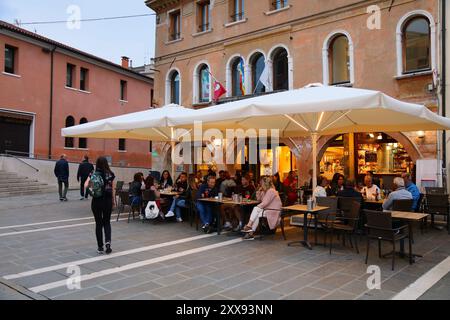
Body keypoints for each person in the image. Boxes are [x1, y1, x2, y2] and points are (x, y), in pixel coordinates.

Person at [84, 156, 115, 254]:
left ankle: (100, 247)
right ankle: (108, 243)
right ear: (106, 163)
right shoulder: (110, 174)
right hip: (108, 201)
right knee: (107, 222)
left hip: (97, 201)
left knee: (98, 223)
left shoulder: (93, 173)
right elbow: (112, 188)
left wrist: (92, 187)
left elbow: (86, 185)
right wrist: (113, 201)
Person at [241, 176, 282, 240]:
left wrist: (257, 208)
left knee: (256, 209)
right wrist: (259, 191)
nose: (260, 184)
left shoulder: (271, 191)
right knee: (257, 214)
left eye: (261, 183)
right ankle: (250, 232)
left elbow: (265, 203)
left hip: (274, 211)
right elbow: (259, 199)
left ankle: (249, 227)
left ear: (265, 183)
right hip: (267, 209)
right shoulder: (265, 191)